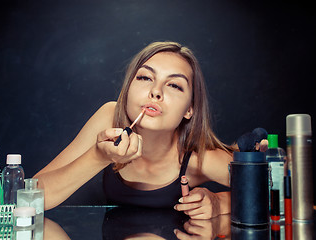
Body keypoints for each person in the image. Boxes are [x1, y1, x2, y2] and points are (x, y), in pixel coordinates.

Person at [34, 41, 234, 220]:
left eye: (174, 85)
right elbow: (30, 199)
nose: (156, 91)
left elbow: (265, 192)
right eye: (145, 78)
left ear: (189, 110)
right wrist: (98, 157)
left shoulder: (200, 159)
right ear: (128, 89)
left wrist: (221, 202)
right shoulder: (109, 117)